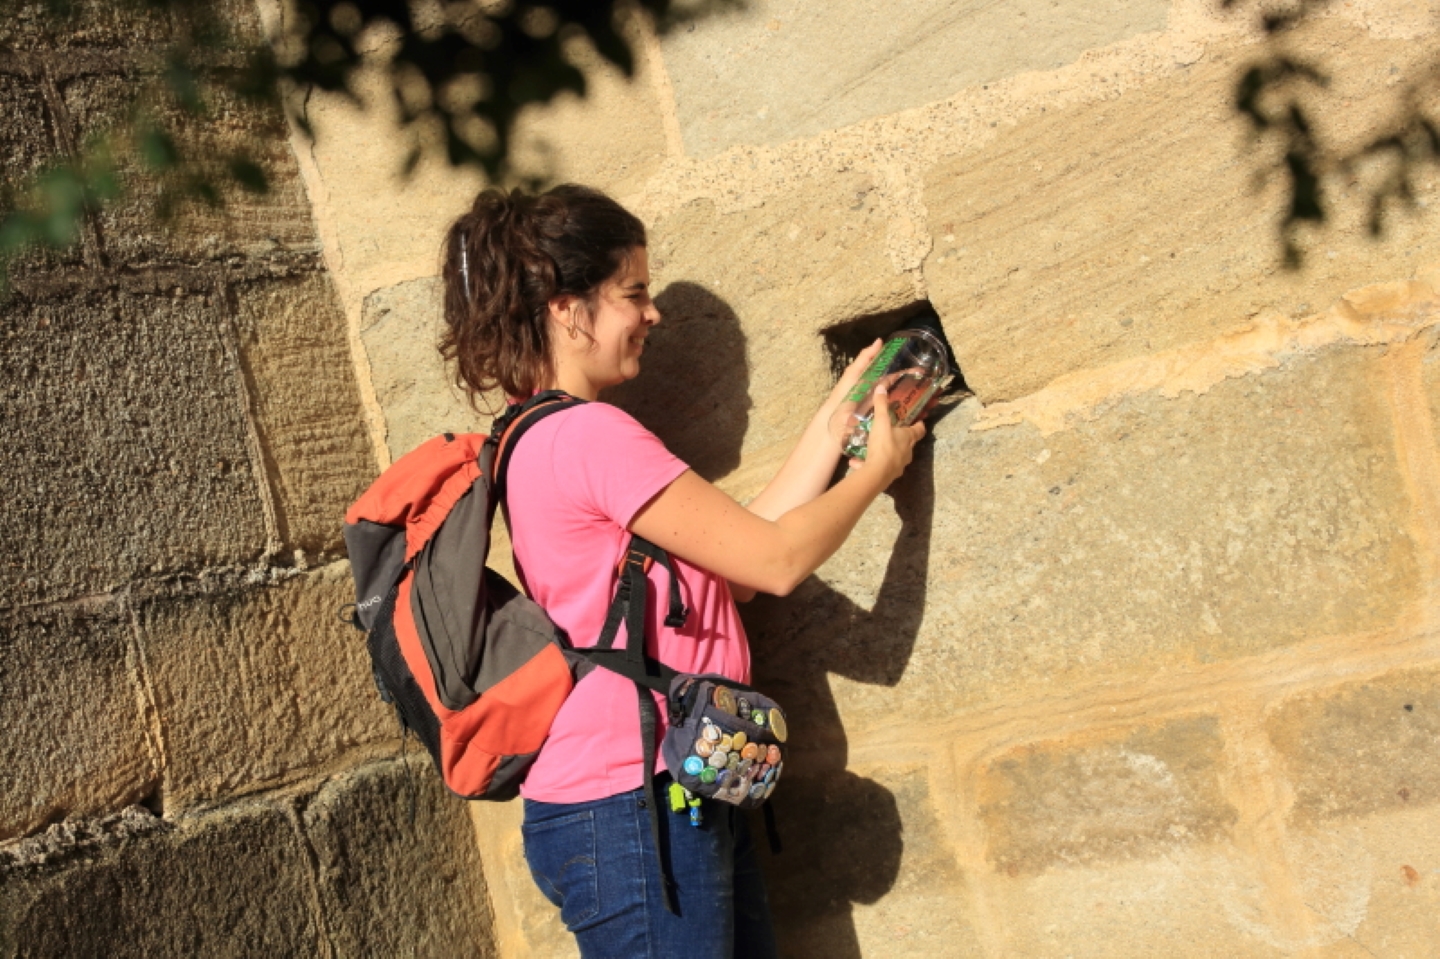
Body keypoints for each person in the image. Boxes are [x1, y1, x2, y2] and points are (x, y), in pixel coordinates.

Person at [439, 184, 924, 959]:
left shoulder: (537, 434)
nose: (652, 313)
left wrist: (836, 429)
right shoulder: (590, 436)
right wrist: (875, 473)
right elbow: (778, 559)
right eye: (633, 292)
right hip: (630, 807)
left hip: (665, 794)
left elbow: (731, 562)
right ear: (569, 309)